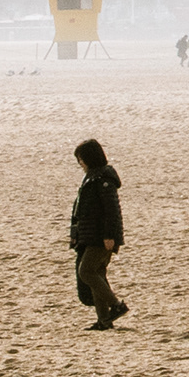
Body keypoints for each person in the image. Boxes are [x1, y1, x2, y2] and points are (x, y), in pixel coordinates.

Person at [70, 137, 129, 330]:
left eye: (81, 159)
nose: (80, 163)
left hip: (100, 236)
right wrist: (76, 234)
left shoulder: (103, 179)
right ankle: (104, 320)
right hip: (91, 235)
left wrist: (109, 235)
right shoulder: (92, 178)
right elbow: (80, 210)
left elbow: (111, 210)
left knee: (86, 271)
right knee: (98, 274)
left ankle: (116, 306)